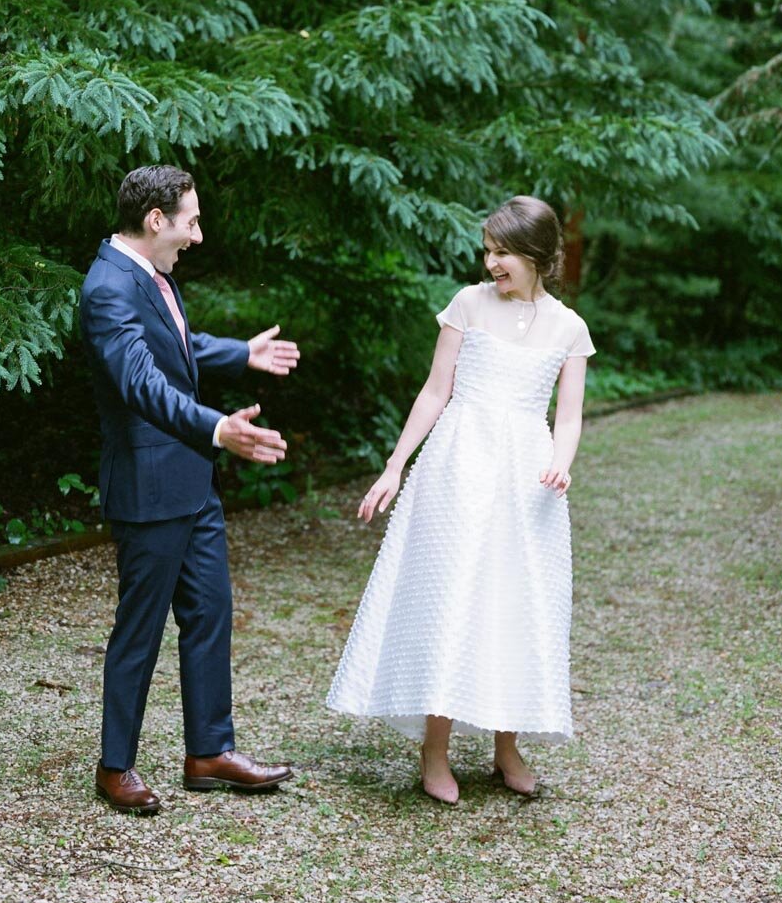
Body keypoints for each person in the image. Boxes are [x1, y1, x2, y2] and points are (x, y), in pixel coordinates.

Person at [327, 195, 594, 805]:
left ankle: (507, 748)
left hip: (528, 479)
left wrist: (561, 463)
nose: (490, 261)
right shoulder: (468, 305)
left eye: (502, 252)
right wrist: (395, 466)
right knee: (448, 601)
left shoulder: (569, 328)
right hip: (458, 468)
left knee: (516, 603)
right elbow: (435, 391)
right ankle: (435, 750)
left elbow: (570, 416)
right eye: (489, 250)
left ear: (536, 257)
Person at [81, 164, 300, 815]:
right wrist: (217, 429)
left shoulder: (152, 274)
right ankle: (114, 764)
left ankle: (209, 750)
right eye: (192, 220)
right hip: (149, 487)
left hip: (192, 482)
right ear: (157, 221)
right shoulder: (106, 288)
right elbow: (143, 384)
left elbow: (176, 345)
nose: (198, 235)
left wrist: (240, 353)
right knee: (140, 630)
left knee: (210, 613)